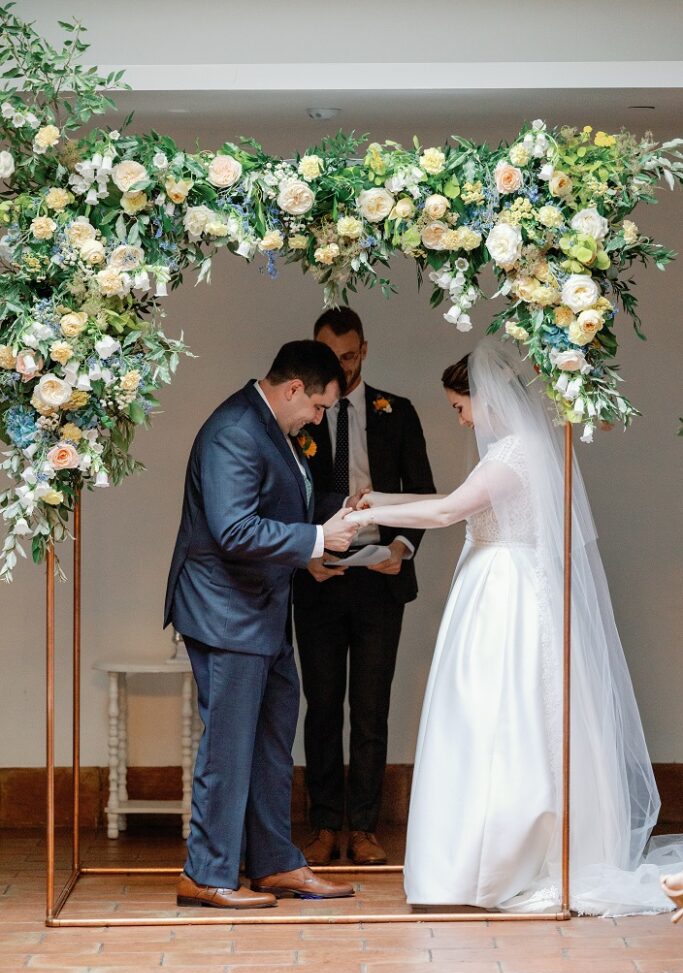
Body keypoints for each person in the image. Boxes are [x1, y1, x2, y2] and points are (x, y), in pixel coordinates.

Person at [347, 337, 683, 915]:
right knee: (490, 713)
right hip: (498, 580)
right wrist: (380, 494)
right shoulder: (516, 449)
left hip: (508, 591)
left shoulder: (514, 453)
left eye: (460, 406)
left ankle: (501, 860)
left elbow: (451, 511)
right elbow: (456, 499)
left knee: (499, 713)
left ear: (486, 397)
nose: (461, 418)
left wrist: (372, 514)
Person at [164, 340, 358, 908]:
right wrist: (317, 539)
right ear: (294, 388)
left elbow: (278, 502)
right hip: (225, 612)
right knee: (228, 747)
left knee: (272, 743)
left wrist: (329, 524)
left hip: (263, 610)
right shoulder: (235, 430)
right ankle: (205, 874)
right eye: (319, 408)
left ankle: (274, 864)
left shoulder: (268, 425)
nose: (318, 420)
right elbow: (233, 530)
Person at [293, 307, 435, 866]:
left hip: (381, 577)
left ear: (365, 351)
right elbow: (286, 495)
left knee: (371, 706)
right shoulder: (303, 414)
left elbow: (422, 493)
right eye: (333, 358)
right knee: (322, 703)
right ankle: (326, 824)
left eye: (350, 357)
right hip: (318, 575)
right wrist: (305, 557)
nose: (343, 368)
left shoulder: (396, 411)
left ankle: (367, 827)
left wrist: (402, 550)